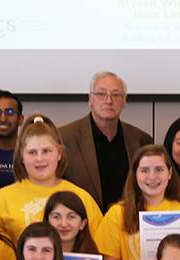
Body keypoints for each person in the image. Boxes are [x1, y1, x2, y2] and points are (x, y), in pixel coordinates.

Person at [0, 116, 104, 258]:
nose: (39, 159)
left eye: (46, 151)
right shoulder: (1, 199)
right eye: (32, 152)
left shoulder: (81, 197)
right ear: (21, 157)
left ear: (59, 154)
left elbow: (101, 250)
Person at [60, 72, 154, 209]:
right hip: (83, 226)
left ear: (124, 101)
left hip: (129, 225)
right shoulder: (65, 138)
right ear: (90, 99)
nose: (109, 101)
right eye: (101, 94)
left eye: (116, 95)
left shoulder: (142, 140)